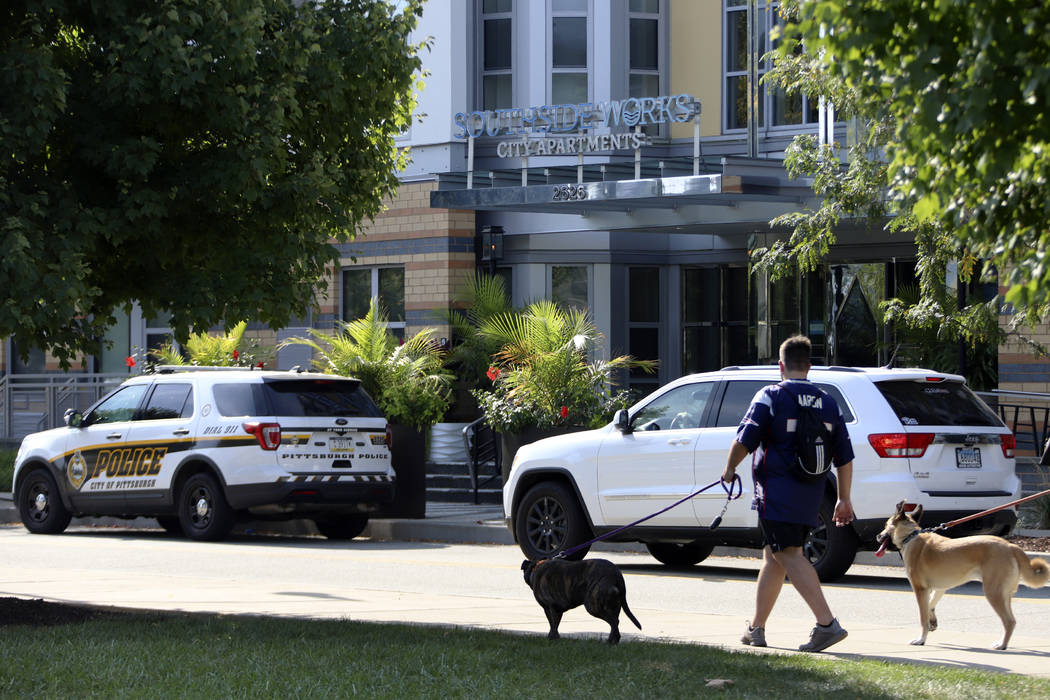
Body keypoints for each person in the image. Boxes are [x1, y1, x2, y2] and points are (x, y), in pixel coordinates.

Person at [721, 335, 855, 653]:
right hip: (810, 495)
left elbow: (745, 439)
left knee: (789, 555)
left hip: (776, 493)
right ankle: (756, 628)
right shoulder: (828, 401)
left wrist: (729, 470)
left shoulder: (770, 396)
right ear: (809, 366)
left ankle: (827, 625)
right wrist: (843, 498)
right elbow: (845, 457)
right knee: (775, 555)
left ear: (780, 366)